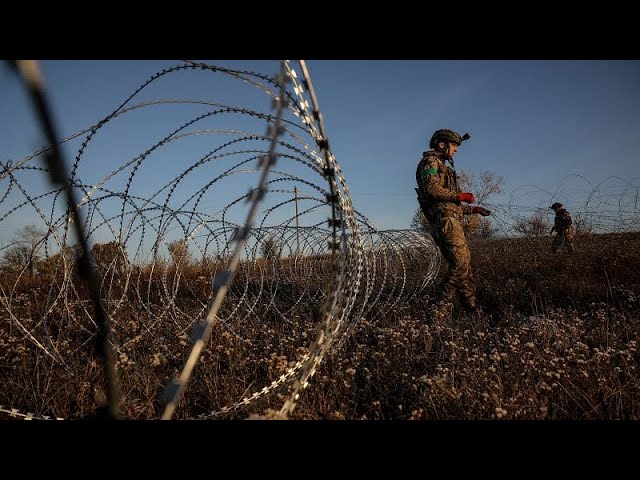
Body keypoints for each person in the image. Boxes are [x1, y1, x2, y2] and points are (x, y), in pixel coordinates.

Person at [415, 129, 490, 321]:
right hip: (444, 221)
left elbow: (450, 204)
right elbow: (432, 190)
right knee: (459, 264)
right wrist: (460, 196)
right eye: (454, 145)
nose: (456, 149)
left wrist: (473, 210)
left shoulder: (443, 166)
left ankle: (472, 311)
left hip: (451, 218)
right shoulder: (429, 163)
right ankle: (437, 312)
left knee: (465, 267)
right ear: (442, 144)